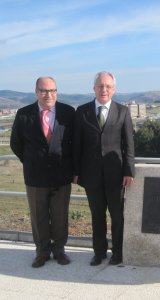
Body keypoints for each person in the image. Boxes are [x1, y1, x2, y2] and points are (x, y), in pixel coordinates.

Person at [10, 76, 75, 268]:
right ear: (36, 92)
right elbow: (16, 143)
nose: (49, 95)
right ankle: (42, 252)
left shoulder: (68, 113)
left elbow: (74, 143)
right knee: (38, 217)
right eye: (44, 91)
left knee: (60, 215)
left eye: (53, 90)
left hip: (62, 175)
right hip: (35, 176)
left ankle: (59, 250)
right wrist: (31, 161)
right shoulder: (23, 114)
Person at [73, 71, 135, 266]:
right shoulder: (82, 112)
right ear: (94, 88)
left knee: (117, 216)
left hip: (116, 175)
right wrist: (75, 172)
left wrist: (129, 171)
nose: (104, 90)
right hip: (91, 176)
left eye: (108, 86)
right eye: (100, 86)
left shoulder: (123, 111)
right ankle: (99, 253)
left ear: (114, 89)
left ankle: (118, 252)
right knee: (97, 216)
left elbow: (129, 145)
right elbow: (76, 145)